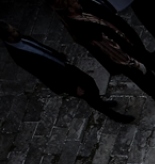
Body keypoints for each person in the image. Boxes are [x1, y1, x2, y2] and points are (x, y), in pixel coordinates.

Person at [52, 0, 155, 110]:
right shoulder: (79, 23)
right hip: (118, 53)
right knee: (144, 75)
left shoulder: (81, 8)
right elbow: (103, 43)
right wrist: (126, 57)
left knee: (143, 75)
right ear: (69, 7)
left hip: (122, 41)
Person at [2, 21, 134, 123]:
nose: (16, 32)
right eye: (12, 32)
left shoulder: (22, 38)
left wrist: (58, 55)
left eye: (14, 29)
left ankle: (101, 102)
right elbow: (44, 74)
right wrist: (72, 87)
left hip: (64, 66)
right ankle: (115, 116)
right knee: (87, 94)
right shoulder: (19, 56)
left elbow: (41, 49)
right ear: (7, 38)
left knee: (90, 82)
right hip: (62, 78)